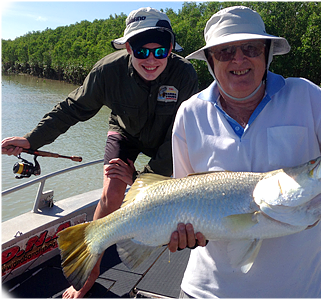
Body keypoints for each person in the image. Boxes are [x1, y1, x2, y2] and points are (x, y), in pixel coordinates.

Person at [167, 6, 321, 298]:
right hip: (205, 291)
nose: (239, 59)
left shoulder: (309, 97)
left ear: (267, 53)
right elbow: (180, 198)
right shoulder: (190, 114)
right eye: (225, 52)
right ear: (210, 61)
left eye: (250, 48)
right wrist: (181, 236)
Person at [2, 7, 198, 298]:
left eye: (161, 51)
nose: (152, 60)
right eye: (142, 51)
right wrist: (32, 141)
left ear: (172, 48)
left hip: (168, 140)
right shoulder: (107, 71)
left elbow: (182, 135)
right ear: (127, 46)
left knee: (160, 197)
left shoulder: (184, 74)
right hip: (124, 132)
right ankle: (88, 274)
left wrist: (141, 180)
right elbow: (71, 109)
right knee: (111, 193)